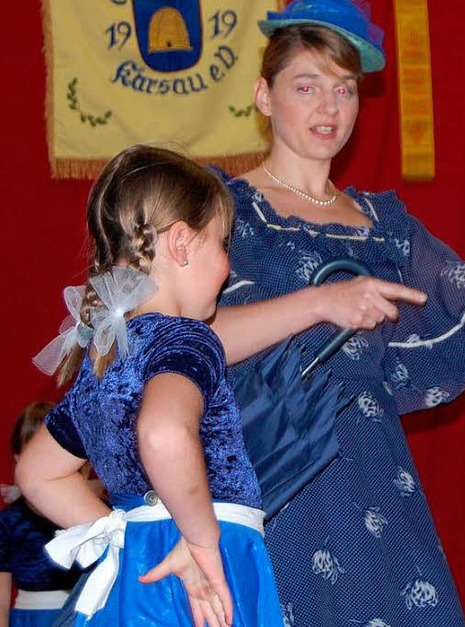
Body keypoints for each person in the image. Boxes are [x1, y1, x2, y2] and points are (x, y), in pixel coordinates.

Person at [207, 1, 465, 624]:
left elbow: (460, 286)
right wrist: (321, 302)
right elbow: (190, 340)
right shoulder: (227, 212)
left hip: (372, 474)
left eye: (344, 89)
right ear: (264, 96)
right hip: (271, 480)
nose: (329, 107)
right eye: (307, 86)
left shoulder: (382, 222)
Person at [17, 145, 283, 626]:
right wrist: (201, 542)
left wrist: (127, 537)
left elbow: (37, 474)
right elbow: (162, 432)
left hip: (139, 579)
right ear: (182, 243)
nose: (228, 266)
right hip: (202, 578)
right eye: (223, 244)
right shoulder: (186, 339)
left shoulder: (104, 359)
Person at [0, 402, 87, 627]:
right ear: (18, 456)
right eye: (33, 450)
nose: (45, 460)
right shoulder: (8, 522)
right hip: (31, 620)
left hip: (86, 617)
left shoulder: (103, 517)